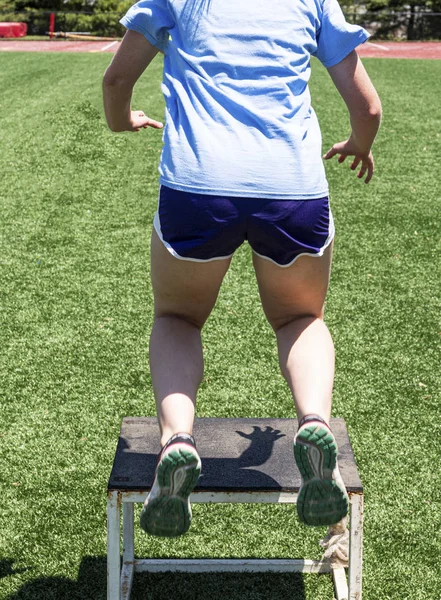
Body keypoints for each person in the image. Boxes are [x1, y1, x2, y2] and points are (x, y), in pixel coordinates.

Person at [103, 0, 382, 537]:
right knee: (300, 318)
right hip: (290, 188)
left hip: (197, 187)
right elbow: (367, 109)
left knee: (178, 319)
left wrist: (124, 122)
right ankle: (313, 425)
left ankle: (178, 442)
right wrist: (359, 145)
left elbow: (118, 81)